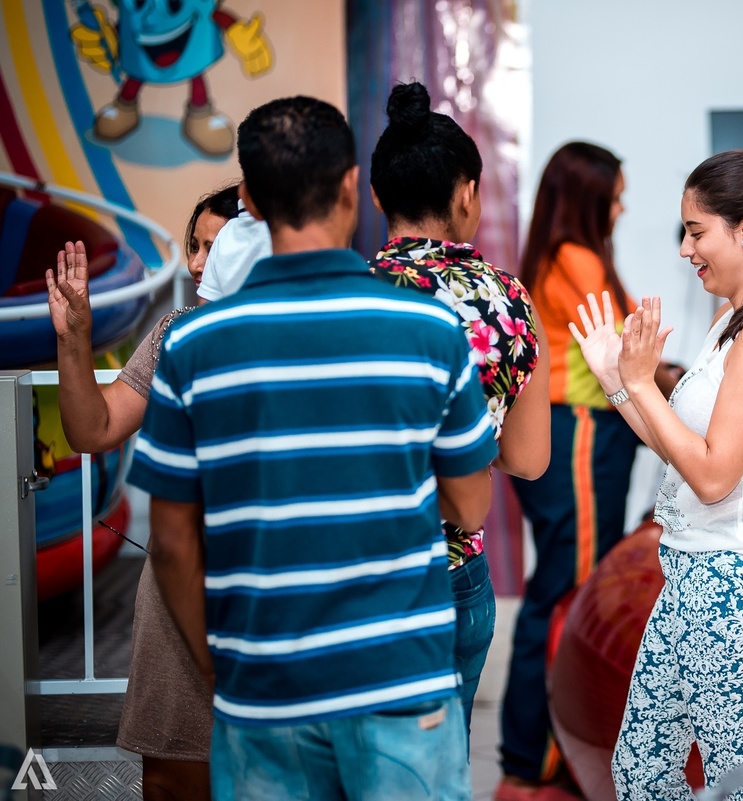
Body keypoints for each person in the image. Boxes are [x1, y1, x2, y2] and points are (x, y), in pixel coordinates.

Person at [126, 96, 497, 800]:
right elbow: (471, 503)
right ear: (354, 189)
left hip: (264, 689)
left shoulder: (193, 344)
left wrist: (215, 666)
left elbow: (171, 541)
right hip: (400, 682)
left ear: (249, 203)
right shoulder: (426, 326)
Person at [572, 148, 743, 801]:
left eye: (696, 230)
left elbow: (713, 477)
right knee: (644, 770)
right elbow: (678, 449)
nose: (686, 248)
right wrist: (617, 382)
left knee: (741, 785)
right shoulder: (733, 320)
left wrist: (640, 382)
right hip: (696, 569)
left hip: (737, 579)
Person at [367, 80, 550, 736]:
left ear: (376, 197)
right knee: (439, 766)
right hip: (454, 573)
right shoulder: (509, 302)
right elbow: (529, 460)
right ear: (469, 192)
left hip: (355, 573)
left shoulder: (348, 297)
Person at [45, 183, 238, 801]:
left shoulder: (301, 334)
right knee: (171, 775)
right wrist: (74, 338)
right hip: (177, 589)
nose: (197, 264)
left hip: (265, 589)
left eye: (217, 247)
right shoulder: (175, 333)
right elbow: (92, 429)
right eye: (194, 246)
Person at [496, 141, 649, 801]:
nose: (621, 205)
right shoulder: (577, 258)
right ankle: (539, 759)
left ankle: (534, 755)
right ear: (588, 198)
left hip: (578, 432)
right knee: (571, 588)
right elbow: (616, 357)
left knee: (561, 583)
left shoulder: (559, 257)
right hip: (580, 435)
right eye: (614, 194)